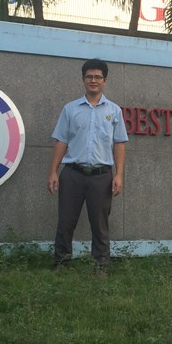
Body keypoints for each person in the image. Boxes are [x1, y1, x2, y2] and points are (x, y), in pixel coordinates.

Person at [47, 59, 128, 273]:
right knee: (66, 221)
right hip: (72, 174)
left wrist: (119, 174)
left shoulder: (114, 111)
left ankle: (101, 266)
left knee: (100, 223)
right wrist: (53, 172)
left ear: (104, 81)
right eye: (89, 77)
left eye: (98, 77)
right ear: (83, 80)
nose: (93, 80)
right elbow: (61, 141)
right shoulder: (70, 109)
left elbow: (119, 144)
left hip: (102, 176)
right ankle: (61, 262)